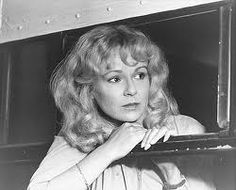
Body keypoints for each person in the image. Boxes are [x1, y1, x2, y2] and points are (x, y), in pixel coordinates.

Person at [27, 25, 215, 190]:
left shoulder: (185, 130)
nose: (131, 90)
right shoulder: (77, 138)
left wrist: (170, 172)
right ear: (89, 88)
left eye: (140, 75)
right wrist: (109, 150)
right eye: (115, 79)